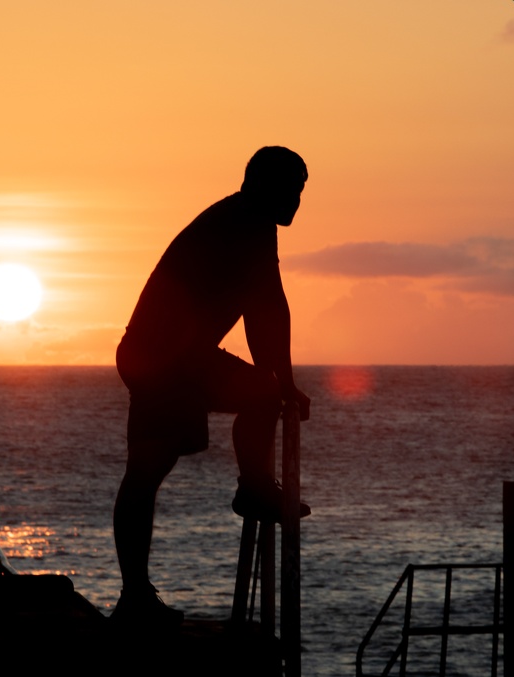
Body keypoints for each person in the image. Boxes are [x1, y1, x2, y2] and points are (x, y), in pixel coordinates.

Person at [112, 146, 311, 626]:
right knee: (146, 471)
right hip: (165, 361)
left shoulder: (246, 220)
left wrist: (279, 381)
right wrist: (283, 383)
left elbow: (266, 310)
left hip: (171, 358)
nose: (297, 201)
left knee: (148, 470)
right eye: (292, 189)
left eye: (302, 191)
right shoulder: (247, 223)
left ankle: (254, 486)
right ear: (263, 185)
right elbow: (267, 315)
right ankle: (136, 597)